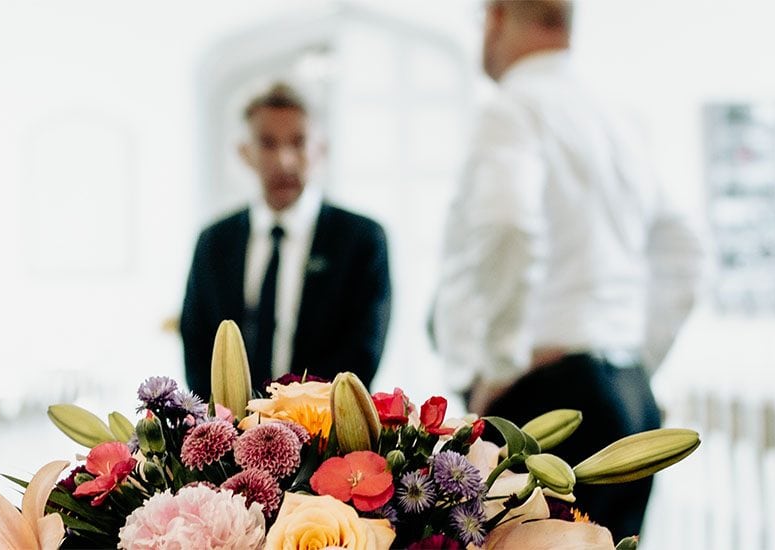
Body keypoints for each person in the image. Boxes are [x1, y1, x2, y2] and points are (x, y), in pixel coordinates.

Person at [432, 0, 704, 541]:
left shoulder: (513, 109)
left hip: (550, 397)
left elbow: (509, 225)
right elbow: (685, 251)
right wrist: (633, 358)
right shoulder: (619, 117)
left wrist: (499, 368)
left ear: (496, 16)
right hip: (632, 400)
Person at [181, 82, 391, 399]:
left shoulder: (361, 240)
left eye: (298, 142)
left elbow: (362, 353)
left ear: (321, 149)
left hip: (328, 433)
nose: (285, 160)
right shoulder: (214, 242)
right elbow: (197, 344)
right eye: (267, 143)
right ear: (245, 152)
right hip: (230, 432)